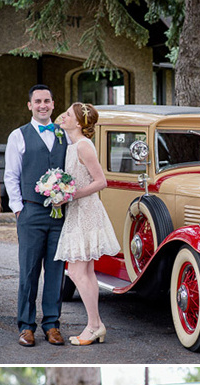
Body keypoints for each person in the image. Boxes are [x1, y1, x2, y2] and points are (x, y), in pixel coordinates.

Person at [4, 84, 68, 347]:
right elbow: (12, 175)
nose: (43, 105)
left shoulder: (65, 135)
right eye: (38, 101)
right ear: (30, 105)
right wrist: (19, 209)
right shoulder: (18, 136)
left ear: (53, 104)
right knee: (29, 271)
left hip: (60, 214)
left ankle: (52, 325)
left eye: (47, 101)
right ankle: (26, 326)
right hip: (30, 211)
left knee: (56, 272)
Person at [53, 102, 120, 345]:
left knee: (78, 271)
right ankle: (95, 325)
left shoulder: (83, 145)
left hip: (86, 211)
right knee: (87, 271)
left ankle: (94, 325)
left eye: (68, 114)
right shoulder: (72, 145)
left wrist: (70, 195)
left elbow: (101, 181)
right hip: (78, 210)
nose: (64, 116)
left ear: (79, 123)